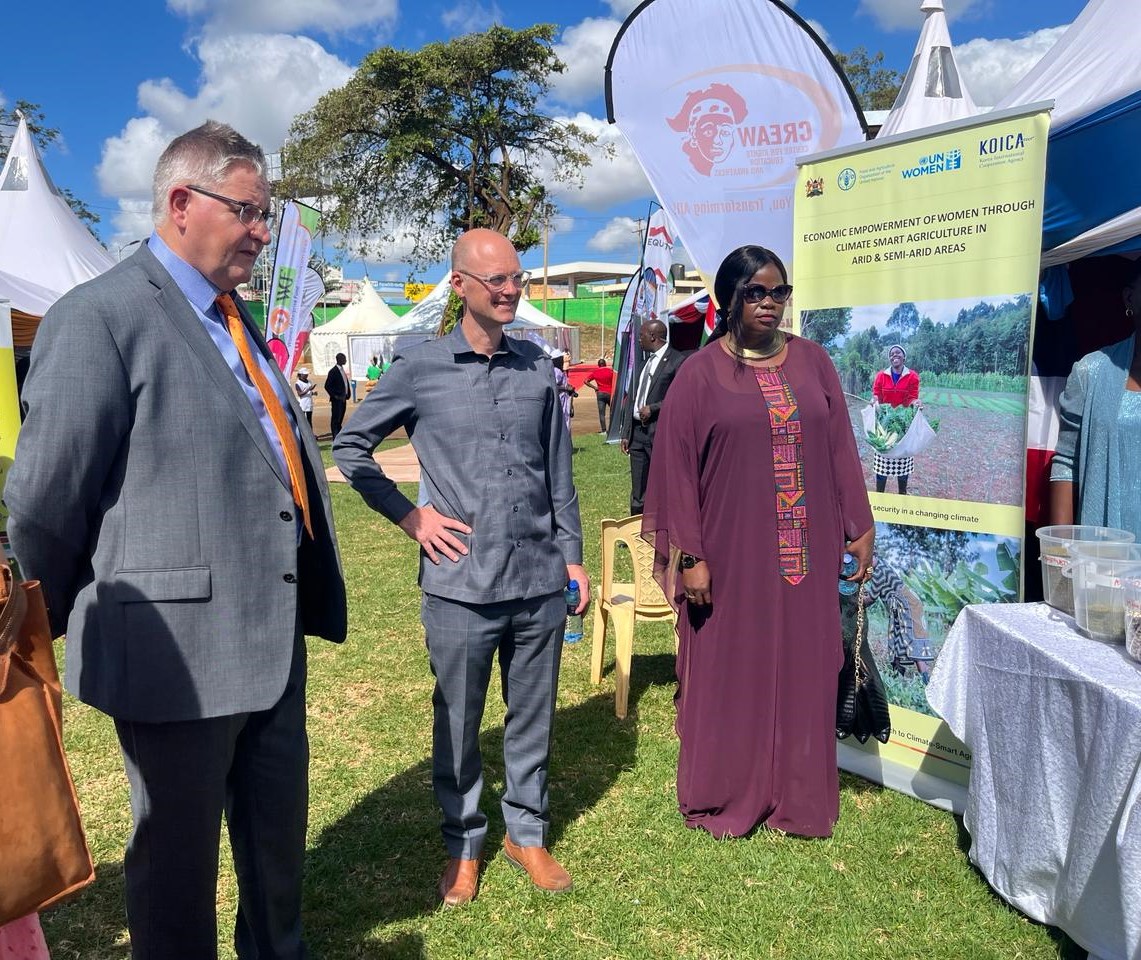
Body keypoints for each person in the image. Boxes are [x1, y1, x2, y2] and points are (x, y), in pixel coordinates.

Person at [4, 120, 348, 959]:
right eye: (249, 211)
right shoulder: (100, 317)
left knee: (275, 859)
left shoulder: (239, 321)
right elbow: (47, 505)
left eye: (266, 214)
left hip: (271, 640)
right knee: (175, 877)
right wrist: (90, 613)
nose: (263, 232)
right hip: (174, 660)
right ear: (182, 202)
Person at [332, 228, 588, 907]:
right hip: (460, 586)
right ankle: (464, 844)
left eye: (515, 279)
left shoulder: (536, 367)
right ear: (460, 287)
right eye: (495, 280)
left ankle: (524, 834)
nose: (509, 290)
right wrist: (410, 517)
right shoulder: (419, 368)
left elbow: (558, 472)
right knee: (458, 719)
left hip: (537, 579)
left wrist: (574, 557)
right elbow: (351, 448)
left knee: (531, 716)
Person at [641, 244, 874, 839]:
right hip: (729, 552)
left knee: (806, 662)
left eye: (778, 292)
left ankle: (798, 795)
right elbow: (676, 473)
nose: (769, 303)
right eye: (755, 292)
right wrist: (691, 556)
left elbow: (840, 448)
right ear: (730, 298)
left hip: (806, 552)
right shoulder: (700, 374)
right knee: (730, 665)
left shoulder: (814, 362)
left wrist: (860, 523)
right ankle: (726, 792)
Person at [1050, 258, 1141, 539]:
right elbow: (1067, 464)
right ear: (1130, 297)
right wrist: (1060, 560)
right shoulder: (1091, 371)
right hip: (1106, 560)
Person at [621, 319, 685, 514]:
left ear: (653, 336)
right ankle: (636, 531)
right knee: (638, 487)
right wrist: (626, 432)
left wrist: (654, 408)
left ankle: (663, 527)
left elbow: (682, 397)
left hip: (659, 433)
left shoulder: (677, 361)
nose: (639, 340)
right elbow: (632, 399)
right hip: (637, 435)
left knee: (663, 483)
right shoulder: (643, 364)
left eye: (641, 335)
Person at [871, 344, 922, 494]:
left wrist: (916, 403)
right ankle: (880, 500)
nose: (895, 355)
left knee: (902, 471)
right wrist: (874, 400)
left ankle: (902, 499)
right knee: (882, 468)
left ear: (904, 356)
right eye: (892, 354)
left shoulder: (912, 376)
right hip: (884, 424)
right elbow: (876, 395)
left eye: (898, 353)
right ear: (889, 358)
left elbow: (912, 398)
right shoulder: (881, 376)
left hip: (902, 425)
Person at [583, 356, 614, 433]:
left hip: (600, 393)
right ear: (605, 364)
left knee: (601, 413)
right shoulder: (611, 371)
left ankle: (603, 430)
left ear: (598, 365)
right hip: (610, 393)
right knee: (612, 411)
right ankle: (612, 428)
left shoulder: (595, 372)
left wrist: (595, 387)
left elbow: (586, 381)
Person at [325, 351, 350, 437]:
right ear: (339, 359)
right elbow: (327, 386)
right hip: (337, 400)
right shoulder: (333, 371)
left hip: (343, 399)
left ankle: (339, 435)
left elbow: (345, 383)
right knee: (336, 419)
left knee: (340, 419)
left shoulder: (342, 370)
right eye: (344, 358)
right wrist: (336, 396)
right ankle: (335, 436)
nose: (345, 360)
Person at [551, 352, 576, 432]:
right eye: (566, 361)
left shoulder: (562, 372)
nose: (568, 363)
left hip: (564, 400)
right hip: (560, 400)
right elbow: (553, 386)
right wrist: (566, 389)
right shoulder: (556, 371)